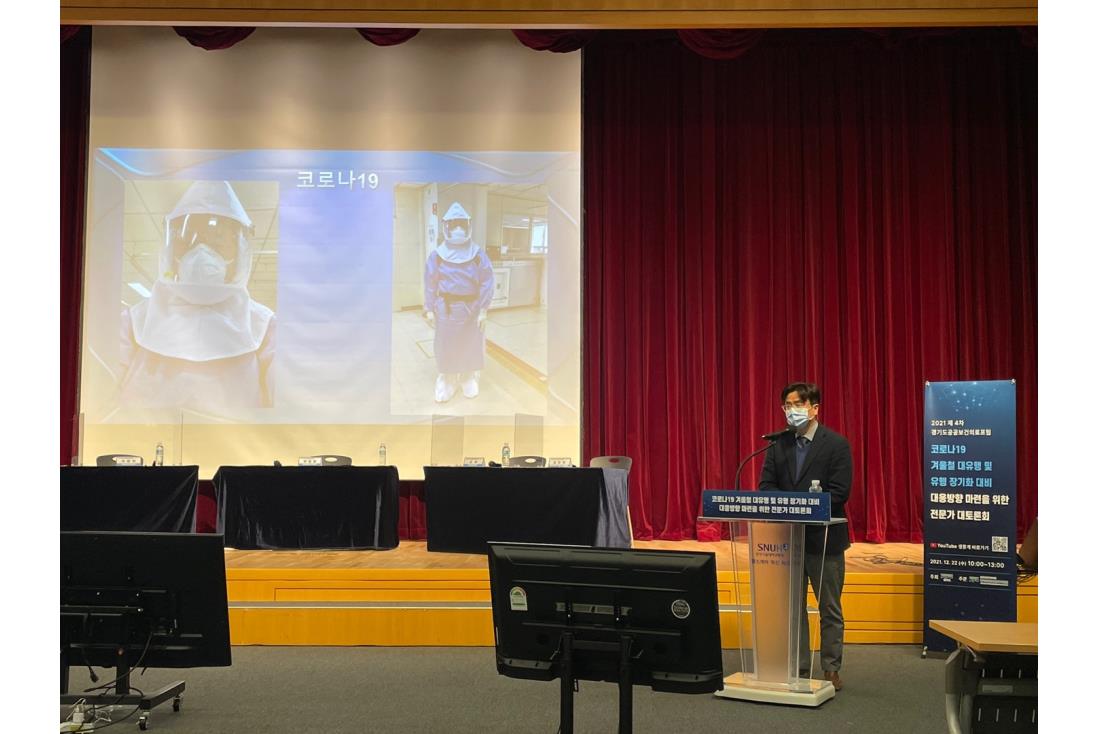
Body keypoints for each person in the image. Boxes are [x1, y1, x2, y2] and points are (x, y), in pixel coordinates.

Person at [118, 180, 275, 414]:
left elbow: (285, 413)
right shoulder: (133, 322)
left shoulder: (264, 326)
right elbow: (100, 401)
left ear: (240, 251)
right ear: (170, 249)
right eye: (187, 241)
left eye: (218, 241)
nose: (201, 253)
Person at [758, 381, 852, 691]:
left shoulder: (836, 444)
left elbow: (839, 492)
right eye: (787, 405)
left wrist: (802, 506)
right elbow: (766, 487)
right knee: (793, 608)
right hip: (788, 539)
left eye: (797, 404)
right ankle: (798, 666)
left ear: (814, 408)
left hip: (824, 540)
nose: (791, 410)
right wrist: (792, 508)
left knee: (829, 607)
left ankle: (830, 668)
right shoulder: (778, 444)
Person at [423, 201, 494, 402]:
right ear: (446, 227)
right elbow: (430, 283)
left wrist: (484, 310)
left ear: (468, 226)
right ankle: (447, 378)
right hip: (446, 309)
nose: (458, 230)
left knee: (471, 342)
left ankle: (468, 376)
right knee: (446, 343)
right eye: (454, 225)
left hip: (472, 309)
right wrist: (429, 308)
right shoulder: (437, 256)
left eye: (462, 224)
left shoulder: (478, 255)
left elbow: (487, 282)